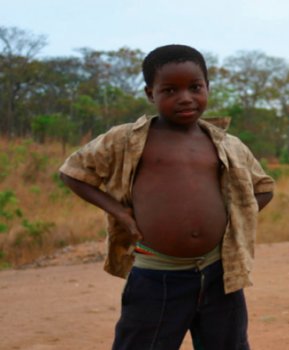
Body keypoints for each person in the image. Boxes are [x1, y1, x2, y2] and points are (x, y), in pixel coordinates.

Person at [59, 44, 275, 350]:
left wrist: (234, 219)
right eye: (170, 90)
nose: (185, 98)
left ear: (208, 88)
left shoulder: (226, 144)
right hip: (157, 275)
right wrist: (119, 213)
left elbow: (262, 187)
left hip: (219, 274)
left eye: (195, 87)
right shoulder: (127, 139)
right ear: (151, 94)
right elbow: (72, 173)